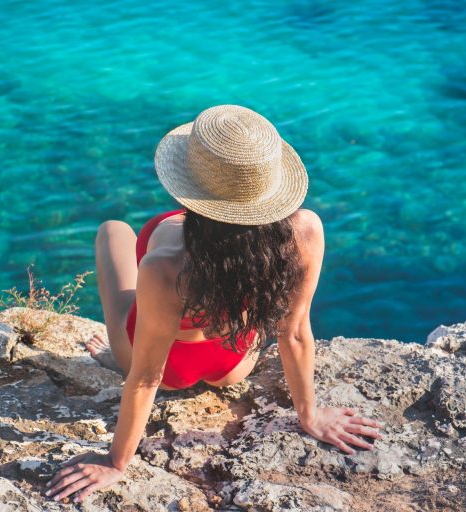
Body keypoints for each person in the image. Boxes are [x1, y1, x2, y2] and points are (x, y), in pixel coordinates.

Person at [45, 105, 383, 504]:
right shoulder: (306, 230)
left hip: (170, 370)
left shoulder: (165, 263)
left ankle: (111, 349)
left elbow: (146, 377)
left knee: (113, 230)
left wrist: (118, 463)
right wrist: (309, 415)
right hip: (235, 365)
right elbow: (294, 332)